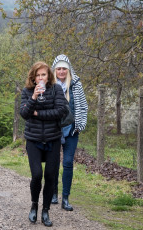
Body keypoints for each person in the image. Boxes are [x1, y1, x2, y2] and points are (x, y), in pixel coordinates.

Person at [20, 61, 67, 227]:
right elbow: (25, 114)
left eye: (43, 75)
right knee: (37, 175)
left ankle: (45, 210)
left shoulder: (56, 89)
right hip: (33, 139)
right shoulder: (27, 91)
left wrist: (38, 113)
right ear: (33, 77)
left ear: (49, 76)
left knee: (50, 176)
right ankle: (34, 205)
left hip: (53, 138)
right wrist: (33, 97)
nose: (41, 78)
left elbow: (61, 111)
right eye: (38, 75)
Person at [51, 54, 88, 211]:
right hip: (53, 130)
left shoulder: (76, 84)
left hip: (71, 129)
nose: (61, 71)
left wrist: (79, 125)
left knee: (67, 163)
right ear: (55, 70)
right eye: (58, 68)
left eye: (64, 68)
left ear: (68, 69)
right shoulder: (49, 84)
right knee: (53, 164)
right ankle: (53, 194)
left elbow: (83, 106)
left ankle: (65, 198)